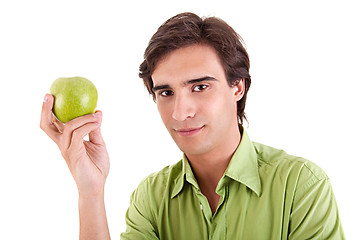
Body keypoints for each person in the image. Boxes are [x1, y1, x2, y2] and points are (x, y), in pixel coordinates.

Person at [40, 12, 345, 239]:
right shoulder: (151, 197)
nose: (180, 112)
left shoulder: (301, 187)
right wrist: (90, 191)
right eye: (166, 92)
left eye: (199, 87)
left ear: (237, 87)